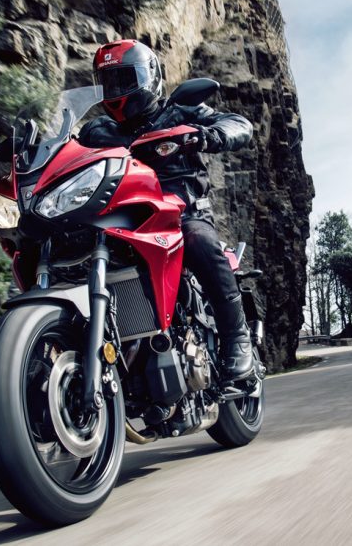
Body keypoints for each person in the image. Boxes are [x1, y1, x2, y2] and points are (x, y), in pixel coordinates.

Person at [77, 39, 255, 382]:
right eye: (108, 82)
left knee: (198, 239)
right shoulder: (97, 131)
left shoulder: (179, 111)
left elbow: (239, 124)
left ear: (150, 77)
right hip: (122, 220)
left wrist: (207, 135)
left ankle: (237, 338)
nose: (116, 91)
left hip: (181, 213)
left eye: (124, 80)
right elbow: (69, 154)